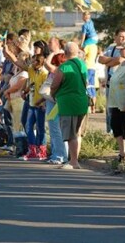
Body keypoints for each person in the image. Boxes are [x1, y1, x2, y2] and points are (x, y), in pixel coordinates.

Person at [50, 42, 89, 170]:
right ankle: (74, 159)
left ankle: (73, 161)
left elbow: (55, 84)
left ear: (65, 53)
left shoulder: (64, 67)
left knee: (71, 133)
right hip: (82, 101)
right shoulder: (82, 64)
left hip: (68, 103)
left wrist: (53, 94)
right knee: (77, 133)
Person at [44, 37, 68, 165]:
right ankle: (57, 153)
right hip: (54, 99)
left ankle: (60, 155)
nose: (48, 44)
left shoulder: (58, 70)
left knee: (55, 128)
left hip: (55, 99)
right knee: (57, 128)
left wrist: (53, 52)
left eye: (50, 42)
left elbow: (46, 65)